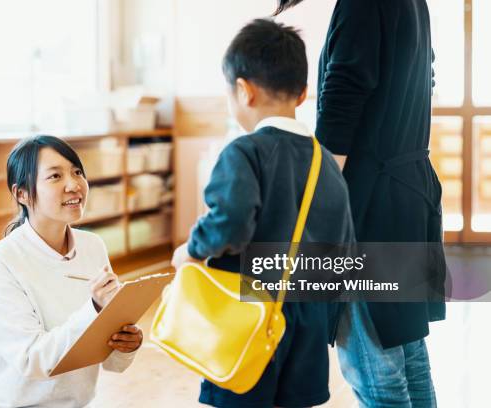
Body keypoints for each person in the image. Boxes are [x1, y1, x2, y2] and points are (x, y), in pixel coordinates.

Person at [171, 19, 355, 408]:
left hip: (248, 314)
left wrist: (191, 249)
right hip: (308, 319)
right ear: (303, 94)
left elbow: (230, 224)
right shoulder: (326, 163)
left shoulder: (245, 152)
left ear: (244, 91)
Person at [275, 0, 446, 406]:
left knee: (375, 371)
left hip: (368, 207)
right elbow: (424, 78)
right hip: (408, 195)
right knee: (407, 353)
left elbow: (341, 111)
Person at [0, 135, 142, 407]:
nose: (74, 185)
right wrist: (95, 308)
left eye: (77, 172)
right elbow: (31, 359)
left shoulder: (92, 246)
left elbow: (110, 361)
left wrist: (126, 344)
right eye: (55, 176)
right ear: (21, 194)